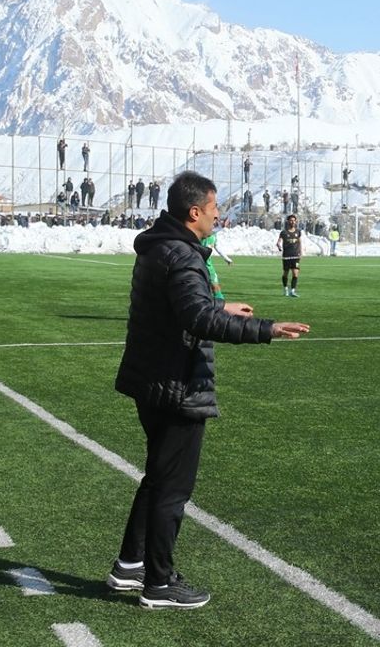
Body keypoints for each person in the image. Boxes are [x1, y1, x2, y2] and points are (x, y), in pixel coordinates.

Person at [108, 171, 308, 610]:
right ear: (194, 212)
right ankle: (159, 583)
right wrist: (266, 329)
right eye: (215, 208)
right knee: (172, 488)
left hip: (152, 379)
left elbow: (180, 306)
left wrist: (219, 305)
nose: (218, 215)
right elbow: (197, 320)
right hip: (175, 384)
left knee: (157, 477)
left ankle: (130, 564)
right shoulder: (181, 254)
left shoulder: (161, 245)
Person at [201, 222, 234, 299]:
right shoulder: (201, 234)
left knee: (216, 287)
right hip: (199, 264)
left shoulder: (214, 235)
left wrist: (226, 258)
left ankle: (220, 303)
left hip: (209, 266)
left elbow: (217, 247)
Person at [277, 214, 303, 297]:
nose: (292, 222)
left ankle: (293, 291)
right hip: (286, 256)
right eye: (291, 220)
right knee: (285, 273)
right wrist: (278, 245)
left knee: (295, 273)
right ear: (288, 221)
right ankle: (285, 289)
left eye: (294, 220)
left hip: (296, 256)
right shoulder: (284, 232)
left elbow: (300, 242)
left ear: (296, 222)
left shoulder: (298, 232)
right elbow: (279, 241)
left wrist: (301, 252)